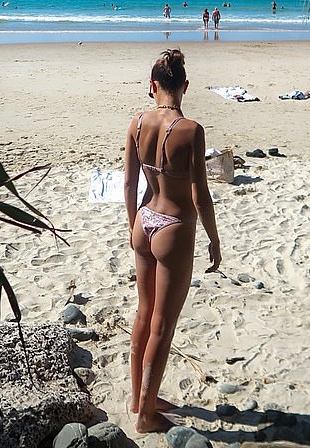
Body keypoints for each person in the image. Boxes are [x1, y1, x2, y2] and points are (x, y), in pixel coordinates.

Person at [124, 50, 221, 433]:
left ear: (152, 86)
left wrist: (136, 229)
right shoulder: (191, 130)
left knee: (143, 314)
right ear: (185, 87)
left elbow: (130, 185)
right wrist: (214, 238)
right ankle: (146, 416)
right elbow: (200, 195)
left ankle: (138, 397)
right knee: (162, 324)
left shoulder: (136, 123)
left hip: (144, 220)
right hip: (175, 226)